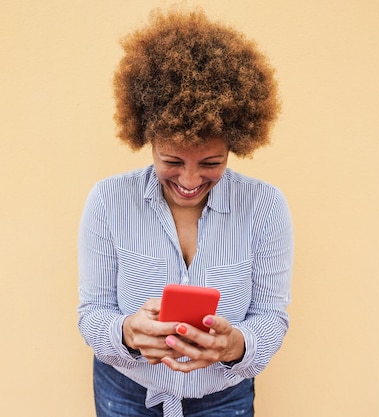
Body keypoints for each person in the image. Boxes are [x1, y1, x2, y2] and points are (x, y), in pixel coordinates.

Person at [77, 8, 293, 417]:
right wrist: (125, 333)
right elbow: (92, 313)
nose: (190, 180)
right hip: (126, 390)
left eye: (211, 162)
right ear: (147, 136)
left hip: (223, 396)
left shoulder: (265, 208)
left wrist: (237, 346)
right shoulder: (108, 201)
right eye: (172, 159)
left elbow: (270, 317)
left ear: (235, 142)